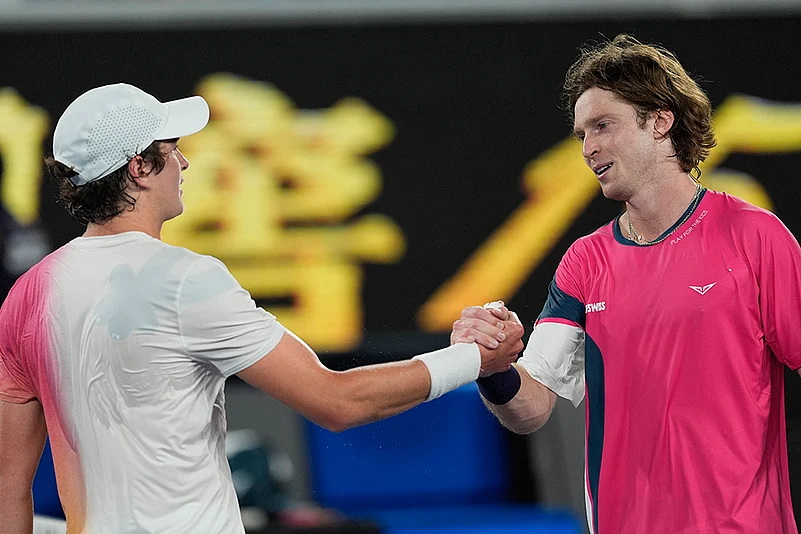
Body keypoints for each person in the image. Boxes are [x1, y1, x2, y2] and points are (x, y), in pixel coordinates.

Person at [0, 83, 525, 534]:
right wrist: (474, 358)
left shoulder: (28, 294)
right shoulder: (184, 280)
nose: (184, 161)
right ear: (139, 167)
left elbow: (8, 487)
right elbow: (336, 402)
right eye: (171, 147)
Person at [453, 34, 801, 533]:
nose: (588, 148)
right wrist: (492, 364)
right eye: (580, 135)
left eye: (602, 126)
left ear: (660, 121)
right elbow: (530, 408)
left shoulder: (756, 235)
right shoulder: (584, 261)